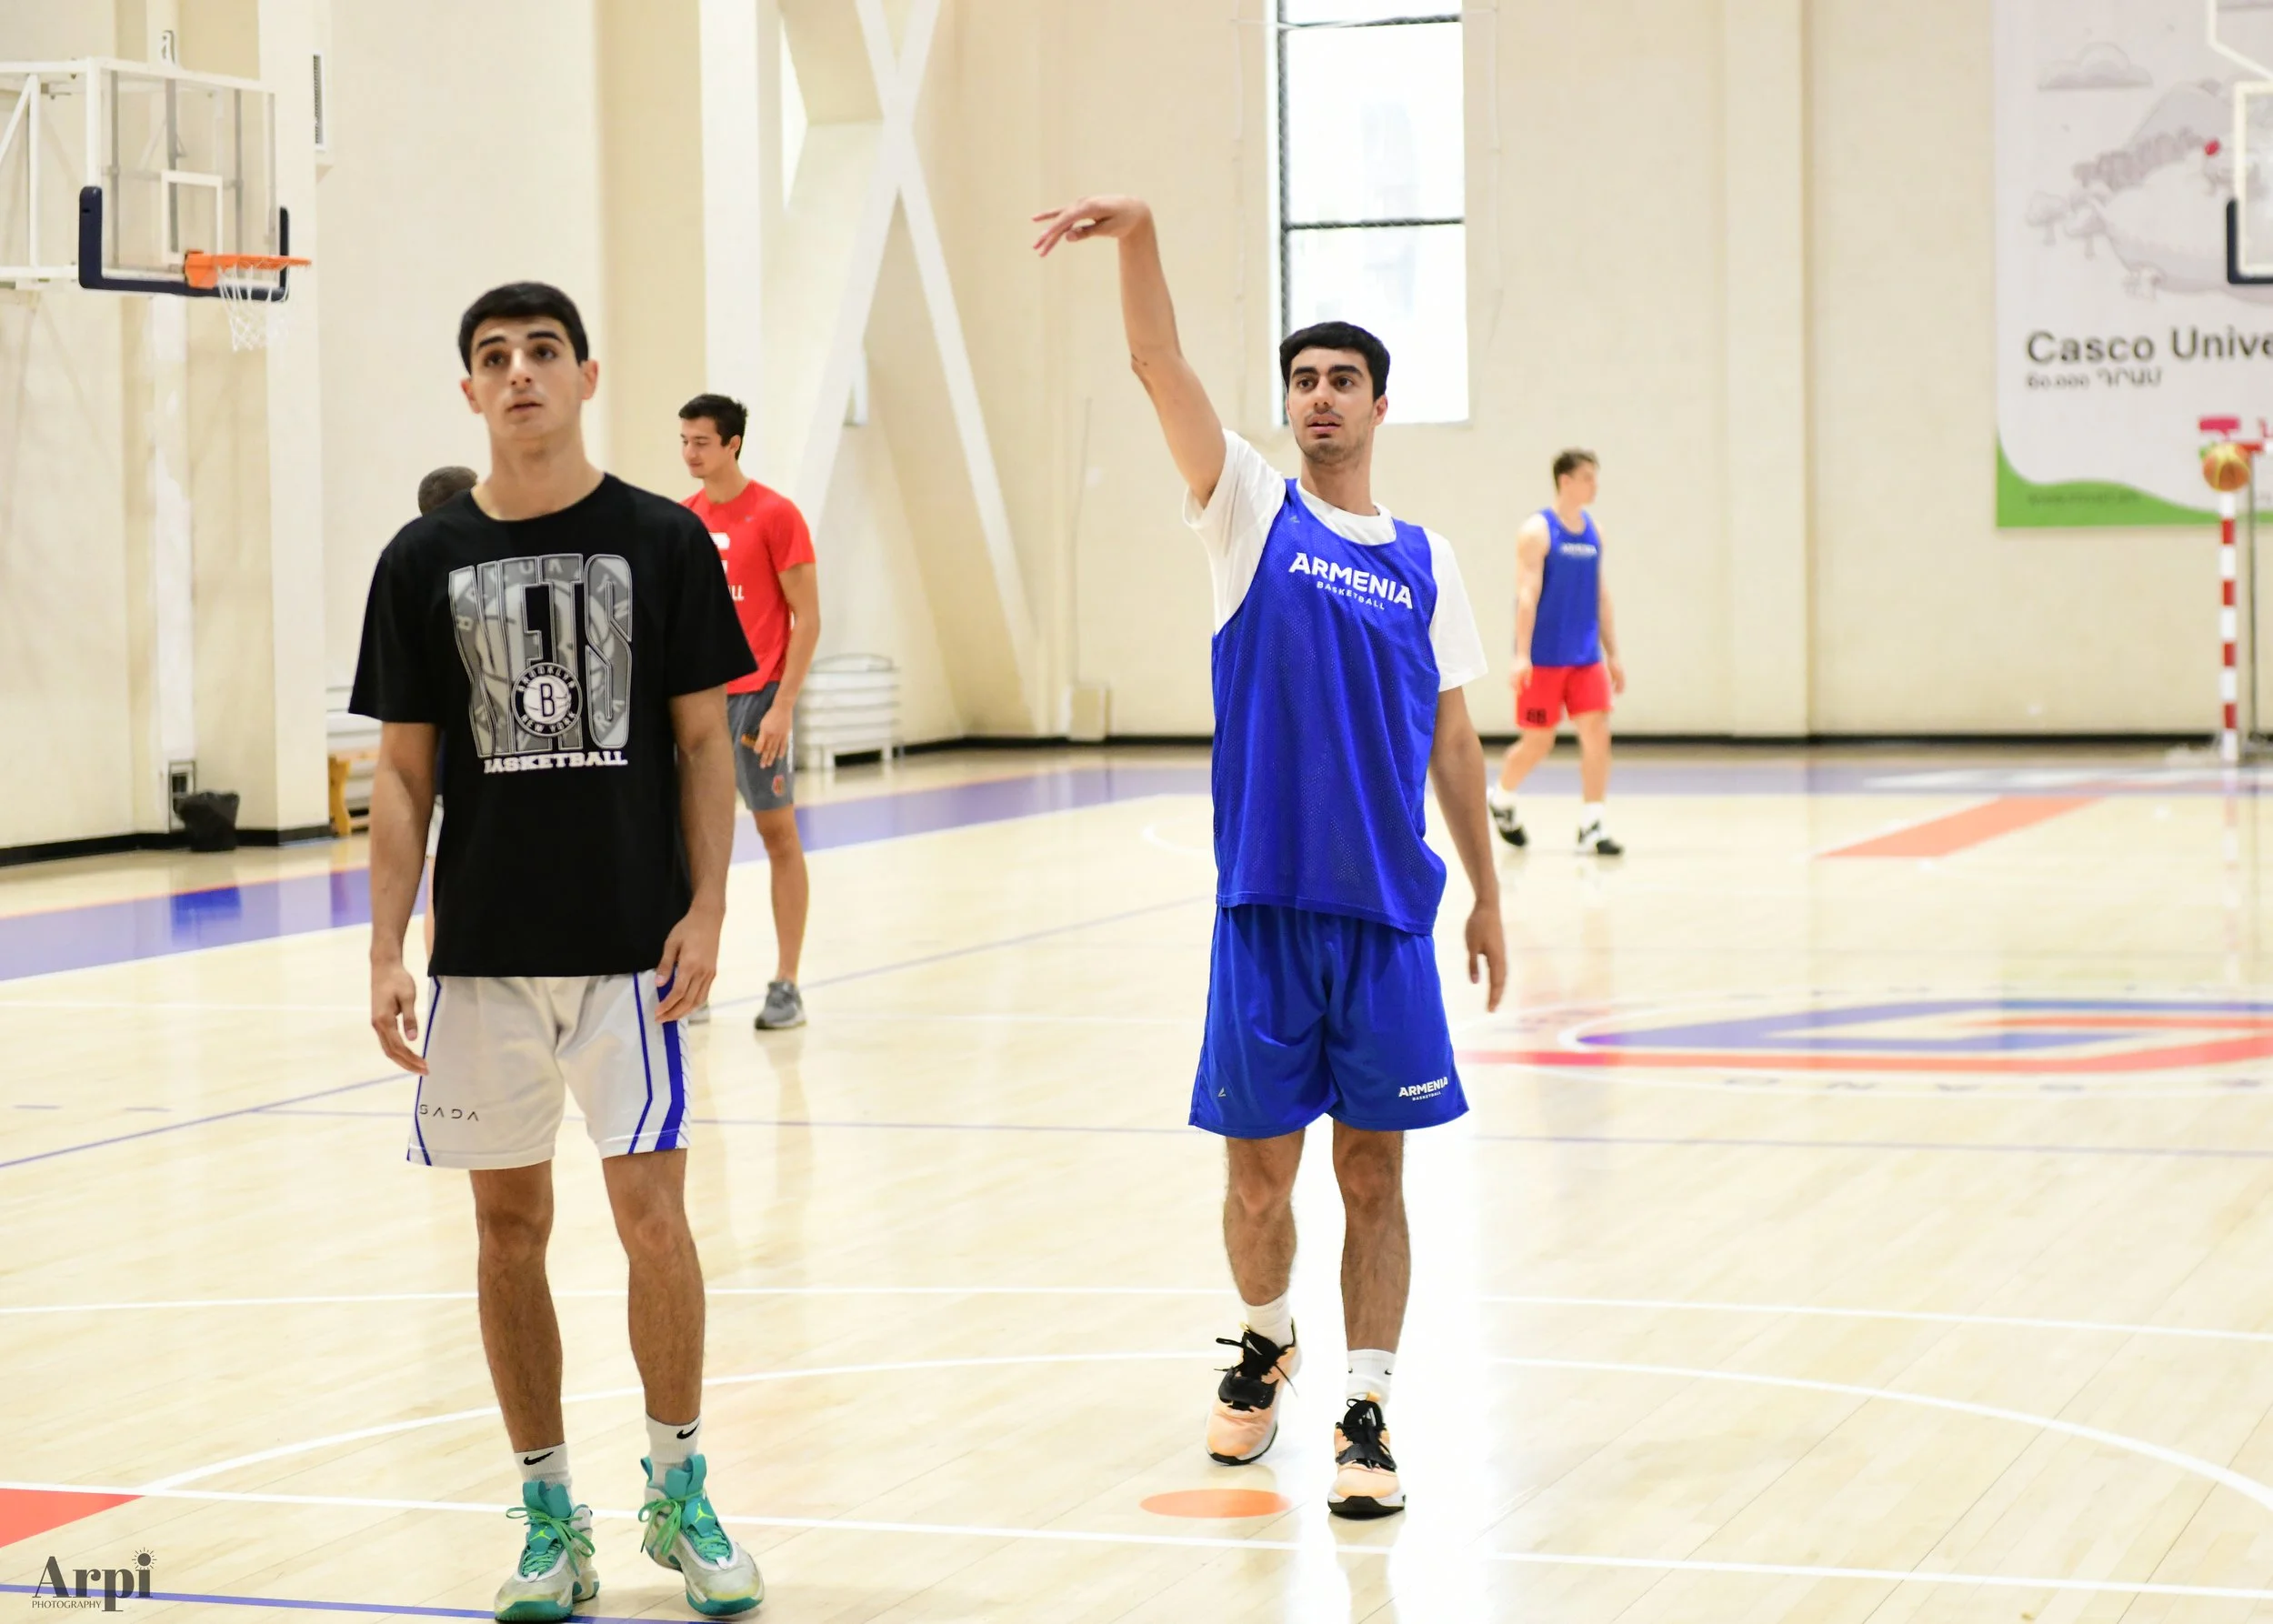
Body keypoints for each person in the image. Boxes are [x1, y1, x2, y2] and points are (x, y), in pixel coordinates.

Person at [1032, 195, 1507, 1519]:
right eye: (1302, 380)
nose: (1318, 399)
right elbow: (1156, 367)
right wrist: (1138, 236)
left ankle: (1365, 1403)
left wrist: (1489, 896)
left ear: (1380, 404)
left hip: (1388, 923)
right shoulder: (1247, 513)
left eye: (1342, 381)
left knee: (1375, 1171)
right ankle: (1262, 1340)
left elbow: (1457, 743)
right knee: (1256, 1176)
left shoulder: (1425, 561)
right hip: (1264, 914)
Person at [354, 283, 765, 1622]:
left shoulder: (662, 540)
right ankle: (547, 1514)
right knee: (505, 1229)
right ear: (468, 391)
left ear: (588, 375)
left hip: (629, 949)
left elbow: (707, 744)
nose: (519, 373)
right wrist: (386, 946)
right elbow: (406, 775)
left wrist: (709, 909)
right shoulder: (421, 562)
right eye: (492, 357)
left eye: (541, 353)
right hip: (483, 956)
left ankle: (681, 1491)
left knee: (654, 1220)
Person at [680, 394, 820, 1032]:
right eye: (684, 440)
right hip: (699, 702)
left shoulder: (776, 515)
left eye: (702, 441)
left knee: (777, 836)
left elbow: (808, 618)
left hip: (759, 698)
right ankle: (693, 981)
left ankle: (786, 983)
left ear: (732, 443)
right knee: (692, 846)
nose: (690, 452)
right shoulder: (682, 521)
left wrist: (783, 705)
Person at [1487, 449, 1627, 855]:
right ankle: (1502, 797)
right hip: (1545, 659)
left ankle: (1592, 825)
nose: (1595, 485)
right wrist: (1521, 655)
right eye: (1588, 477)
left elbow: (1601, 595)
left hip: (1586, 659)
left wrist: (1612, 653)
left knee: (1598, 735)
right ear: (1566, 480)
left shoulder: (1594, 531)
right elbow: (1526, 595)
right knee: (1538, 743)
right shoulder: (1537, 530)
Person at [414, 466, 477, 965]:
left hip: (437, 758)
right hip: (483, 753)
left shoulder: (409, 574)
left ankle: (442, 989)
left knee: (442, 875)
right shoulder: (491, 575)